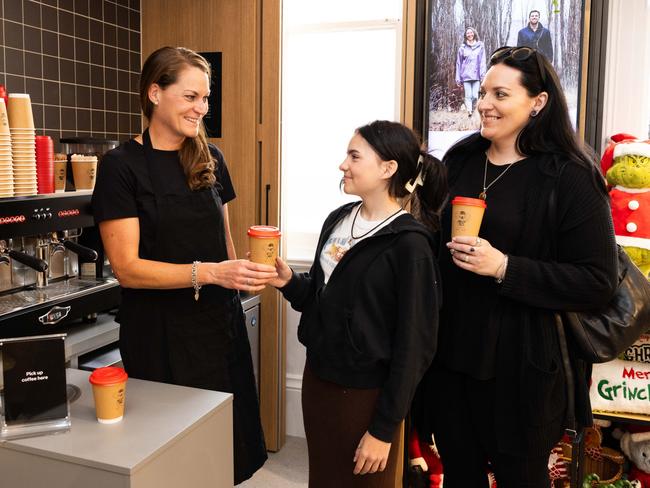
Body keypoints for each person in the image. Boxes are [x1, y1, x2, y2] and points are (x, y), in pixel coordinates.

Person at [415, 46, 618, 487]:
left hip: (521, 369)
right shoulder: (461, 160)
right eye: (484, 92)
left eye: (500, 94)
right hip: (451, 358)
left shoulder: (570, 176)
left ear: (538, 103)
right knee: (459, 474)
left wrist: (505, 267)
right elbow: (430, 239)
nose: (484, 103)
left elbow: (597, 282)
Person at [91, 46, 276, 485]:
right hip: (159, 337)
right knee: (172, 461)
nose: (202, 109)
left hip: (217, 327)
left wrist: (242, 272)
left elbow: (224, 240)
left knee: (223, 455)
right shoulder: (121, 167)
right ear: (155, 93)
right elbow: (127, 268)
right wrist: (211, 272)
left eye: (206, 99)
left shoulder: (210, 158)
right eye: (191, 96)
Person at [269, 121, 447, 487]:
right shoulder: (337, 220)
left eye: (354, 156)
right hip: (319, 381)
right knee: (322, 478)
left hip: (367, 397)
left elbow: (415, 346)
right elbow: (323, 301)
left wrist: (383, 430)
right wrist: (288, 282)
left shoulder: (410, 245)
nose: (342, 165)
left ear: (387, 169)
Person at [455, 27, 486, 118]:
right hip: (465, 75)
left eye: (471, 32)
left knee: (475, 95)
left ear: (474, 33)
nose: (469, 34)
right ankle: (469, 112)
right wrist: (458, 78)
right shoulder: (462, 48)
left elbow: (482, 61)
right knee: (468, 95)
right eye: (467, 33)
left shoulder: (480, 46)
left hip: (476, 75)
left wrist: (483, 75)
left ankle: (475, 110)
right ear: (465, 35)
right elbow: (458, 63)